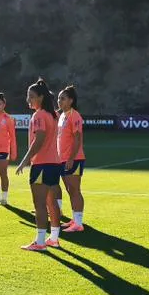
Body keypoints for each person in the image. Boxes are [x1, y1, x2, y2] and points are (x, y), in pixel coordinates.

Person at [15, 78, 61, 251]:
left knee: (40, 205)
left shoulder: (39, 115)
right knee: (52, 202)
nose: (28, 100)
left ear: (41, 97)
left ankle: (40, 242)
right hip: (54, 164)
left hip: (42, 164)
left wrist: (25, 160)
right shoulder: (52, 115)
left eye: (31, 96)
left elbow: (39, 139)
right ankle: (54, 238)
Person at [57, 84, 86, 233]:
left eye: (63, 99)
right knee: (69, 189)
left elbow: (77, 139)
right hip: (63, 159)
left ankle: (79, 223)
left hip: (74, 159)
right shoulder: (62, 115)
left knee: (75, 189)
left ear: (71, 101)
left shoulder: (75, 116)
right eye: (58, 98)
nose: (59, 101)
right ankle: (75, 219)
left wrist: (71, 158)